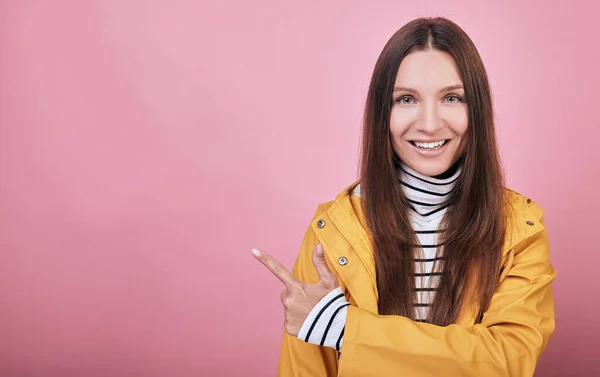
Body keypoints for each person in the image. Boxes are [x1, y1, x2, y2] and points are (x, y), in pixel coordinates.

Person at [252, 16, 556, 377]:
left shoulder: (519, 228)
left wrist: (344, 327)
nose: (429, 123)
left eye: (452, 97)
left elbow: (507, 362)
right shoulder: (332, 232)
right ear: (383, 112)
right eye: (407, 99)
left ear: (477, 109)